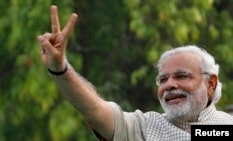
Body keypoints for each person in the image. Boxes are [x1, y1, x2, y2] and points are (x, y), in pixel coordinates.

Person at [37, 5, 233, 141]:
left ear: (211, 84)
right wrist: (59, 68)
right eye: (163, 79)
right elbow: (94, 110)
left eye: (182, 76)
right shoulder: (143, 128)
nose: (169, 85)